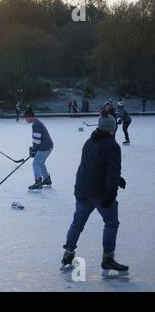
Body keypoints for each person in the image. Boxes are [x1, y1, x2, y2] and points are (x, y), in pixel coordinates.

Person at [61, 110, 128, 276]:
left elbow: (94, 165)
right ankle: (107, 259)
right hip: (100, 192)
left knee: (78, 222)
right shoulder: (112, 146)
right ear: (111, 129)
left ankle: (68, 255)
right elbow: (111, 170)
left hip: (83, 189)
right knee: (111, 222)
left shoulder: (89, 141)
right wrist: (111, 193)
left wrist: (117, 178)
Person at [25, 108, 54, 191]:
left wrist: (34, 148)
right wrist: (35, 149)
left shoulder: (36, 124)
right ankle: (46, 180)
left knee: (36, 163)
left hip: (44, 147)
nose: (26, 119)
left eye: (26, 117)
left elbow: (37, 138)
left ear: (30, 117)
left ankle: (38, 182)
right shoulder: (37, 122)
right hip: (48, 146)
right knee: (40, 163)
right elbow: (37, 138)